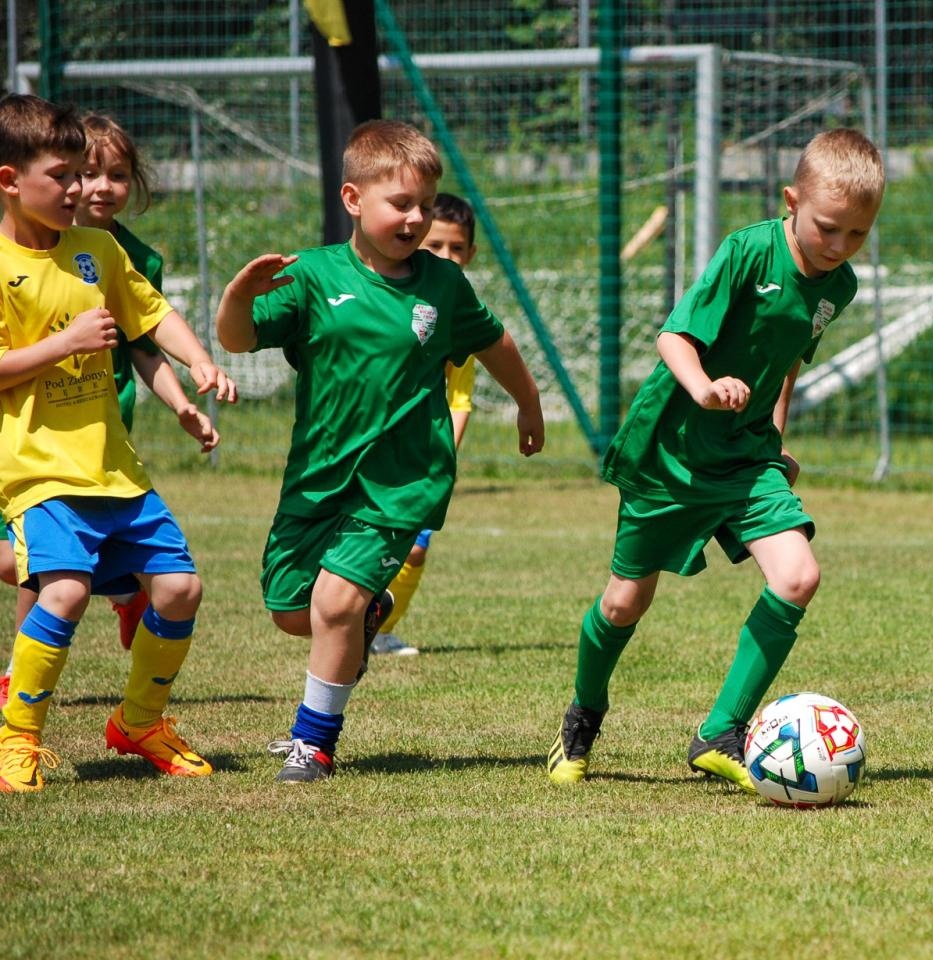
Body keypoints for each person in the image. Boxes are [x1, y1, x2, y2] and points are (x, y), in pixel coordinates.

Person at [545, 128, 885, 792]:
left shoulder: (835, 288)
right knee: (623, 603)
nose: (839, 246)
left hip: (746, 456)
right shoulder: (747, 253)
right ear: (792, 201)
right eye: (828, 228)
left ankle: (721, 731)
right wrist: (703, 388)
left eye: (857, 235)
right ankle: (582, 717)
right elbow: (674, 335)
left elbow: (785, 359)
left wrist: (776, 440)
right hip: (671, 453)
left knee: (798, 575)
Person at [215, 120, 545, 784]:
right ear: (352, 198)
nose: (417, 217)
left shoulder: (442, 286)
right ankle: (370, 616)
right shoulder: (311, 276)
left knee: (333, 604)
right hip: (317, 476)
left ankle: (313, 743)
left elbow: (495, 341)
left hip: (400, 481)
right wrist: (238, 294)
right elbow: (238, 339)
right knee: (291, 612)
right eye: (401, 203)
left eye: (425, 204)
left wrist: (528, 404)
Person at [0, 94, 229, 792]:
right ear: (9, 181)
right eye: (61, 176)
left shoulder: (98, 250)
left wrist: (198, 362)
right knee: (62, 592)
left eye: (83, 175)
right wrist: (62, 344)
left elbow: (151, 313)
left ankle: (138, 723)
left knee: (181, 586)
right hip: (40, 471)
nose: (78, 190)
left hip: (115, 469)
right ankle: (18, 738)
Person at [370, 192, 482, 658]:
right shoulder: (387, 301)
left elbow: (460, 398)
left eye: (457, 249)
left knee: (415, 548)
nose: (447, 257)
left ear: (471, 254)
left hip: (424, 458)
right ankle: (345, 616)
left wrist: (444, 457)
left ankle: (375, 630)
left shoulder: (461, 316)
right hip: (372, 449)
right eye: (436, 247)